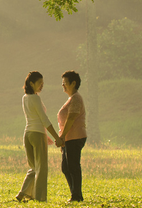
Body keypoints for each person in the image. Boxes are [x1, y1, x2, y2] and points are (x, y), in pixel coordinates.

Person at [16, 71, 63, 203]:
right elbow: (44, 120)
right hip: (37, 134)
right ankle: (40, 197)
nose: (42, 86)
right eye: (39, 83)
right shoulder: (35, 98)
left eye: (43, 83)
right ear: (31, 83)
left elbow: (35, 119)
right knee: (41, 168)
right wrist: (56, 137)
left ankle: (24, 193)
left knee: (34, 167)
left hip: (28, 134)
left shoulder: (25, 97)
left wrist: (46, 135)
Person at [57, 70, 87, 203]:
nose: (62, 85)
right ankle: (75, 193)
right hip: (68, 138)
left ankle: (76, 195)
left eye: (65, 83)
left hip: (74, 137)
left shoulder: (76, 98)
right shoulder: (71, 99)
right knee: (65, 167)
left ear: (73, 83)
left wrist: (62, 136)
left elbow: (71, 119)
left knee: (73, 165)